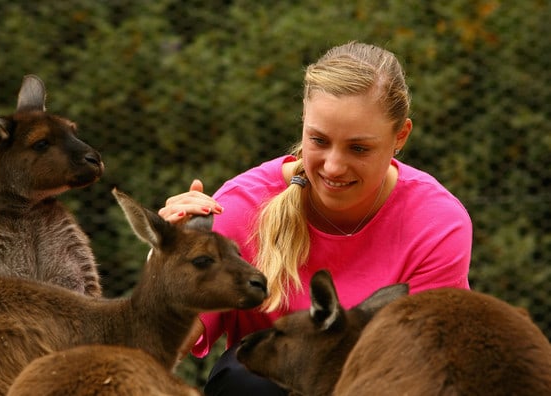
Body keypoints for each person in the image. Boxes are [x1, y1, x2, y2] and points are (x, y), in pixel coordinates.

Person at [159, 41, 472, 395]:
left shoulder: (437, 224)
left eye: (359, 148)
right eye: (319, 141)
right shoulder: (239, 208)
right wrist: (168, 267)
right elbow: (164, 345)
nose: (334, 166)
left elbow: (427, 367)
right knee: (246, 376)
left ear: (400, 136)